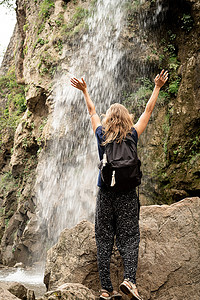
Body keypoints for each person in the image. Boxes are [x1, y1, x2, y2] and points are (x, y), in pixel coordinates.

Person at [70, 70, 168, 300]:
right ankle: (129, 281)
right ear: (126, 119)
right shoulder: (133, 135)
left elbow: (92, 111)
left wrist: (85, 91)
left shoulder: (101, 134)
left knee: (104, 239)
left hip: (105, 193)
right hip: (127, 195)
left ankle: (105, 289)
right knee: (130, 237)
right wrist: (157, 87)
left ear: (109, 119)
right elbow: (148, 111)